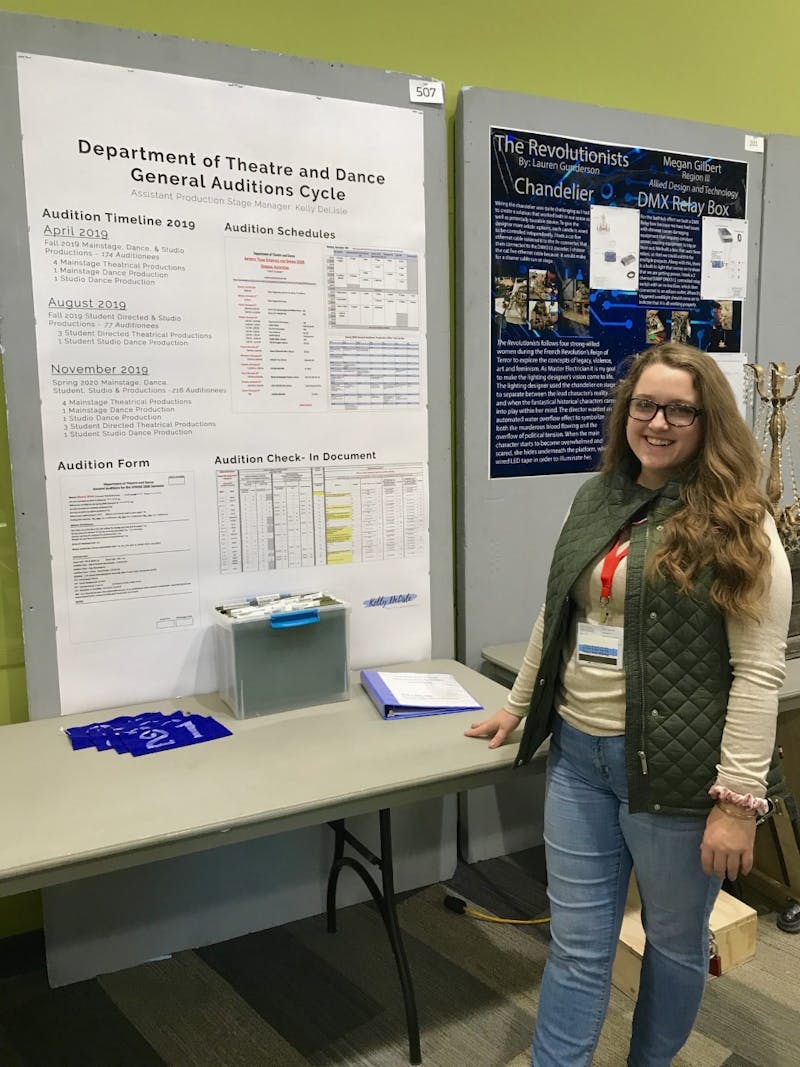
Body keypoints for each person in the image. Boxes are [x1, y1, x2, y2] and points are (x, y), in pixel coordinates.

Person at [466, 342, 791, 1067]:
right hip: (579, 758)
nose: (660, 421)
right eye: (646, 404)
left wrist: (738, 804)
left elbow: (758, 672)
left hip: (677, 776)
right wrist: (517, 704)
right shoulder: (599, 496)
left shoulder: (743, 524)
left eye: (682, 409)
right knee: (579, 947)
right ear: (627, 412)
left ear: (710, 421)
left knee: (674, 945)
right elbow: (558, 615)